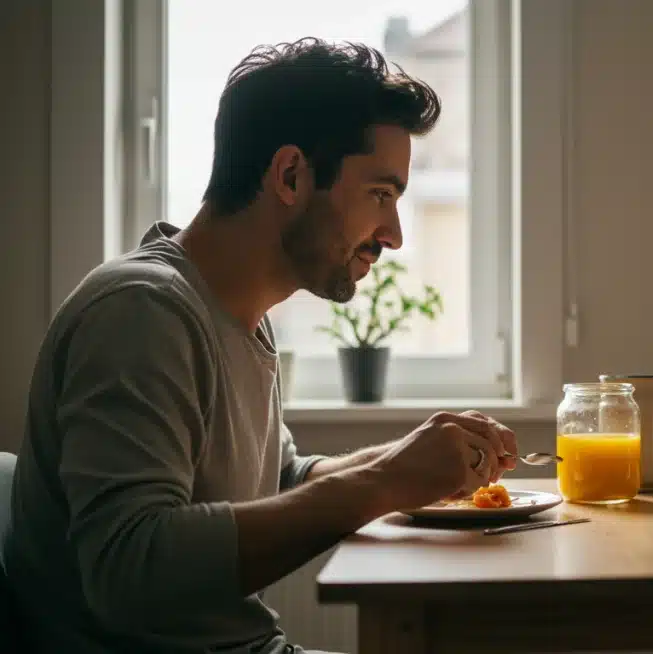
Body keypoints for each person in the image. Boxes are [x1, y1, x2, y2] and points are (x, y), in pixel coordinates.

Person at [3, 38, 517, 654]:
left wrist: (413, 460)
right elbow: (127, 571)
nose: (395, 235)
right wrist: (383, 482)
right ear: (291, 175)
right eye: (381, 194)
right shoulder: (140, 311)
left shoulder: (238, 317)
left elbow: (279, 480)